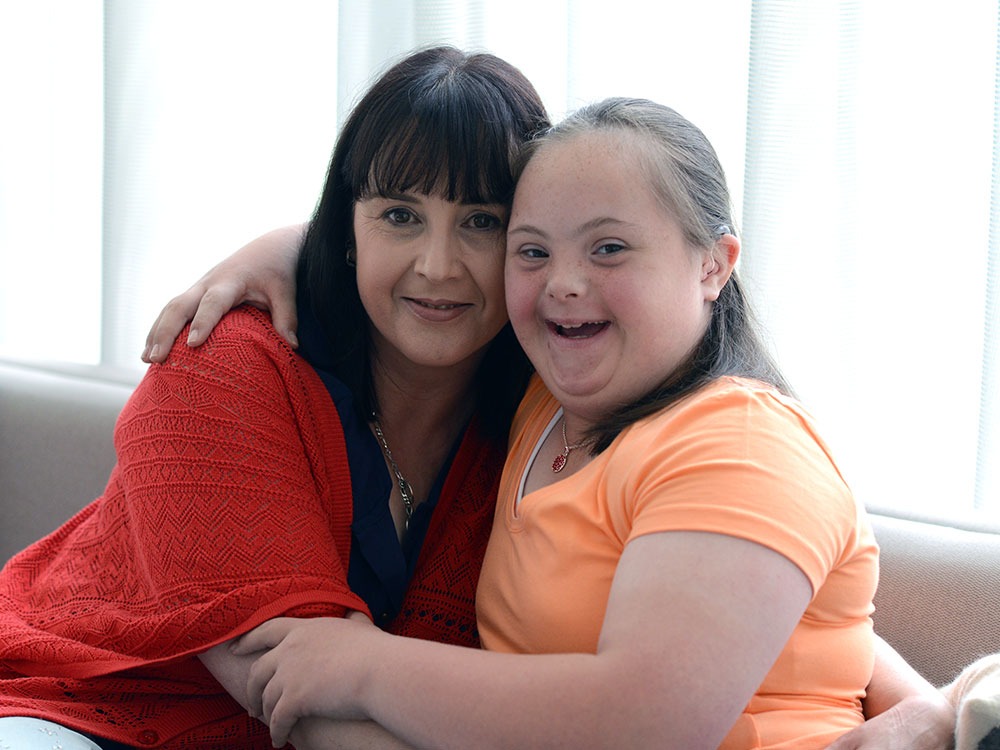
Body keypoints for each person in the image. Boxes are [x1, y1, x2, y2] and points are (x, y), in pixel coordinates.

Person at [149, 99, 959, 749]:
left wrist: (363, 666)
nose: (564, 283)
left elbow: (649, 723)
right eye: (532, 251)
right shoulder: (546, 397)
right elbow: (768, 618)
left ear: (713, 265)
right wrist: (276, 252)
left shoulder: (741, 443)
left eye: (609, 249)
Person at [0, 45, 548, 749]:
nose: (438, 266)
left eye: (482, 221)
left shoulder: (549, 415)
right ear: (347, 230)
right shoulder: (222, 365)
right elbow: (300, 696)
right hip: (76, 713)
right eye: (399, 215)